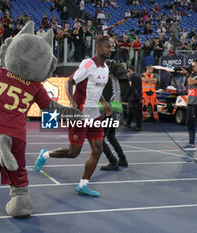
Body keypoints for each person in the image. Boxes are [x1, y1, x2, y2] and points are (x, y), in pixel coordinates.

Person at [34, 38, 112, 197]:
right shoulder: (88, 64)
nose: (111, 49)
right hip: (80, 114)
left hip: (95, 115)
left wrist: (104, 103)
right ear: (98, 48)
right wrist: (72, 102)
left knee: (98, 148)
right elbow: (69, 82)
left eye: (111, 46)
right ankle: (45, 155)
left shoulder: (105, 69)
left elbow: (97, 90)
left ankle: (83, 184)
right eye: (107, 46)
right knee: (73, 152)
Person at [100, 63, 128, 171]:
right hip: (117, 111)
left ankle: (113, 161)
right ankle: (122, 159)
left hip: (109, 112)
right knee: (111, 137)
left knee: (99, 139)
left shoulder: (107, 81)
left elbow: (104, 98)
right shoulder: (116, 81)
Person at [124, 66, 142, 131]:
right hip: (137, 97)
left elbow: (130, 88)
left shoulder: (132, 77)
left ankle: (138, 126)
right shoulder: (138, 77)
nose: (128, 73)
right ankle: (128, 123)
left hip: (133, 97)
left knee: (135, 113)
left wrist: (125, 96)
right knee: (131, 111)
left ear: (132, 70)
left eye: (128, 71)